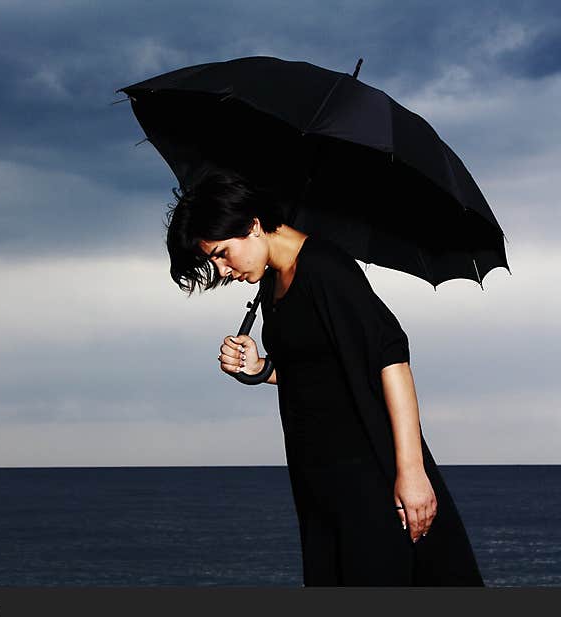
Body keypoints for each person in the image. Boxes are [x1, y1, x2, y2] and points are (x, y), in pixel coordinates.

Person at [164, 168, 484, 586]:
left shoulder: (325, 269)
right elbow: (314, 370)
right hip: (319, 480)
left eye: (222, 253)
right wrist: (260, 369)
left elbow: (392, 360)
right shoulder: (275, 282)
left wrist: (412, 471)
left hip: (368, 475)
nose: (222, 270)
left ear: (253, 225)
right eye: (213, 260)